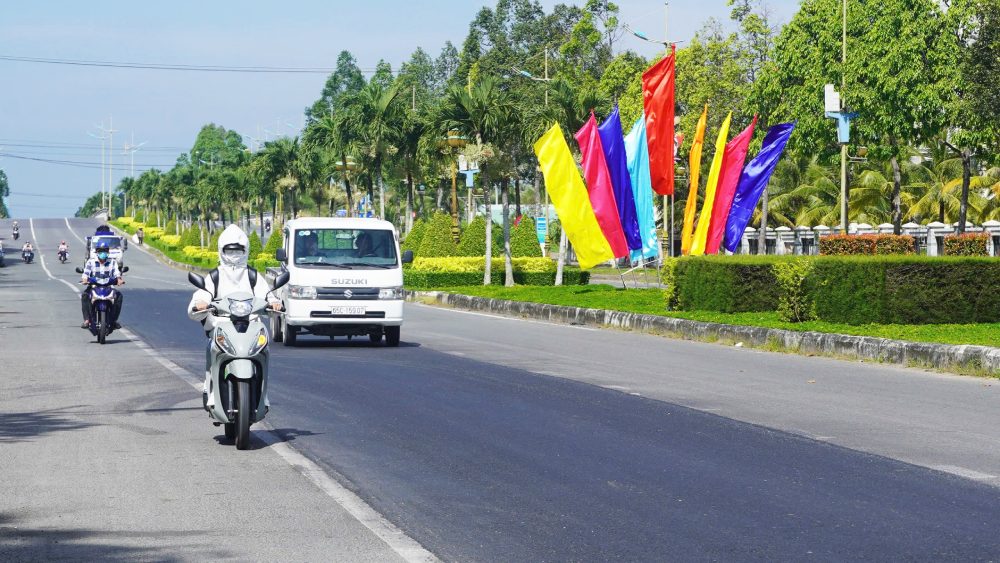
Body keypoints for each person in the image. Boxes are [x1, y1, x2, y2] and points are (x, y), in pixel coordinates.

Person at [188, 225, 281, 407]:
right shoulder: (215, 276)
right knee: (212, 347)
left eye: (238, 250)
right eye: (230, 250)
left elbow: (267, 295)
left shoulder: (253, 276)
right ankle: (211, 387)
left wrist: (274, 302)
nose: (234, 254)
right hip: (221, 324)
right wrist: (201, 303)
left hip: (251, 324)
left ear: (245, 250)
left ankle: (263, 395)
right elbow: (202, 294)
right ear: (222, 250)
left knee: (265, 350)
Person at [80, 240, 124, 329]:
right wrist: (85, 280)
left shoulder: (112, 262)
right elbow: (86, 273)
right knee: (85, 296)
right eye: (100, 251)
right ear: (97, 252)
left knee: (119, 296)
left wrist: (119, 280)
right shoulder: (91, 262)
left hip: (108, 287)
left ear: (108, 252)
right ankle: (87, 320)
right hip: (94, 286)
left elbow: (116, 272)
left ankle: (114, 320)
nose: (102, 253)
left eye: (105, 251)